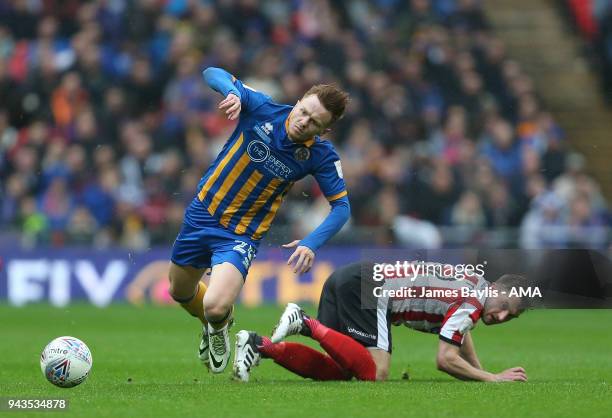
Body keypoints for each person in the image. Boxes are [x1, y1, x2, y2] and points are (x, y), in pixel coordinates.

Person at [168, 67, 351, 373]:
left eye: (314, 122)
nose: (304, 121)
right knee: (179, 291)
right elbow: (211, 72)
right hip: (201, 214)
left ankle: (217, 321)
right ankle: (215, 326)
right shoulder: (262, 106)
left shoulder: (320, 155)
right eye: (304, 111)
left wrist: (311, 243)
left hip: (241, 233)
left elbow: (341, 207)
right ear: (300, 100)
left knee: (215, 304)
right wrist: (234, 93)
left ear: (324, 130)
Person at [233, 262, 530, 382]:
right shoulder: (473, 302)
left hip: (350, 277)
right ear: (497, 290)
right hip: (371, 289)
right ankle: (305, 322)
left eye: (510, 317)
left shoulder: (476, 285)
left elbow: (460, 334)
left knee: (341, 370)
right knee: (376, 373)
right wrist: (493, 378)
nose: (501, 317)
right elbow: (445, 359)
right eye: (505, 306)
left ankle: (260, 346)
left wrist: (479, 372)